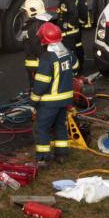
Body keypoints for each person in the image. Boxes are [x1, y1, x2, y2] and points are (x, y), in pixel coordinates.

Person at [30, 22, 78, 166]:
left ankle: (43, 158)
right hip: (65, 100)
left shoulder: (47, 58)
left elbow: (41, 84)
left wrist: (33, 101)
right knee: (60, 126)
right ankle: (62, 154)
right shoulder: (67, 53)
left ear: (45, 40)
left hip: (49, 102)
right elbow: (75, 66)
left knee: (42, 128)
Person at [55, 0, 90, 75]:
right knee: (77, 47)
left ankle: (74, 71)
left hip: (69, 33)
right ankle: (79, 69)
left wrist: (68, 26)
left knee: (69, 52)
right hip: (73, 32)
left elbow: (74, 14)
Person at [21, 0, 53, 91]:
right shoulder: (43, 23)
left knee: (37, 86)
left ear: (33, 11)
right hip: (42, 61)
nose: (25, 13)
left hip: (35, 63)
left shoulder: (33, 28)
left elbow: (37, 48)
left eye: (26, 11)